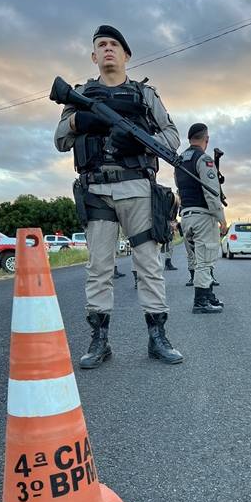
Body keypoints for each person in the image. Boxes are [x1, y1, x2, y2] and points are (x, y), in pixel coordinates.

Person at [54, 25, 183, 367]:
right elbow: (59, 139)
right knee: (98, 268)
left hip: (137, 188)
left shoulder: (144, 96)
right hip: (96, 190)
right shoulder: (81, 92)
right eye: (102, 45)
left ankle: (157, 337)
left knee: (149, 265)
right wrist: (80, 121)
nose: (108, 49)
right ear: (94, 57)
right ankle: (100, 341)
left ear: (126, 55)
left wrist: (137, 140)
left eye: (114, 45)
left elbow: (171, 137)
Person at [175, 123, 227, 313]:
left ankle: (209, 296)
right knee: (205, 261)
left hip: (186, 216)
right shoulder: (204, 160)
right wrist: (221, 217)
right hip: (203, 216)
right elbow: (211, 191)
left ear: (189, 140)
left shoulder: (180, 160)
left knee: (199, 260)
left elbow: (180, 187)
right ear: (206, 139)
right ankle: (200, 301)